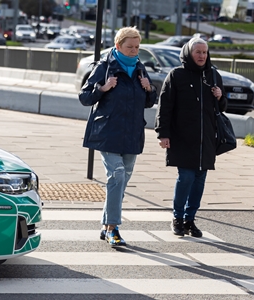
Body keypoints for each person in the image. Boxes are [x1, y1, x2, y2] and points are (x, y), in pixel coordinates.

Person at [79, 27, 157, 246]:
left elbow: (149, 101)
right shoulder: (104, 67)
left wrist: (149, 88)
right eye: (129, 47)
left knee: (119, 184)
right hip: (108, 132)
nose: (134, 51)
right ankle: (113, 228)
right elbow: (84, 97)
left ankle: (106, 225)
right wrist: (102, 88)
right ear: (118, 46)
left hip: (132, 133)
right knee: (118, 176)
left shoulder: (140, 69)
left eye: (137, 47)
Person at [155, 38, 225, 238]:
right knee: (186, 177)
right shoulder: (176, 75)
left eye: (205, 52)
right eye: (198, 52)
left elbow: (222, 108)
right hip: (182, 137)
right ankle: (177, 217)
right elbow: (165, 106)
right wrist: (163, 133)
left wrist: (220, 96)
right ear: (188, 53)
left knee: (199, 180)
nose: (202, 56)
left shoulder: (213, 75)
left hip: (206, 139)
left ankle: (190, 219)